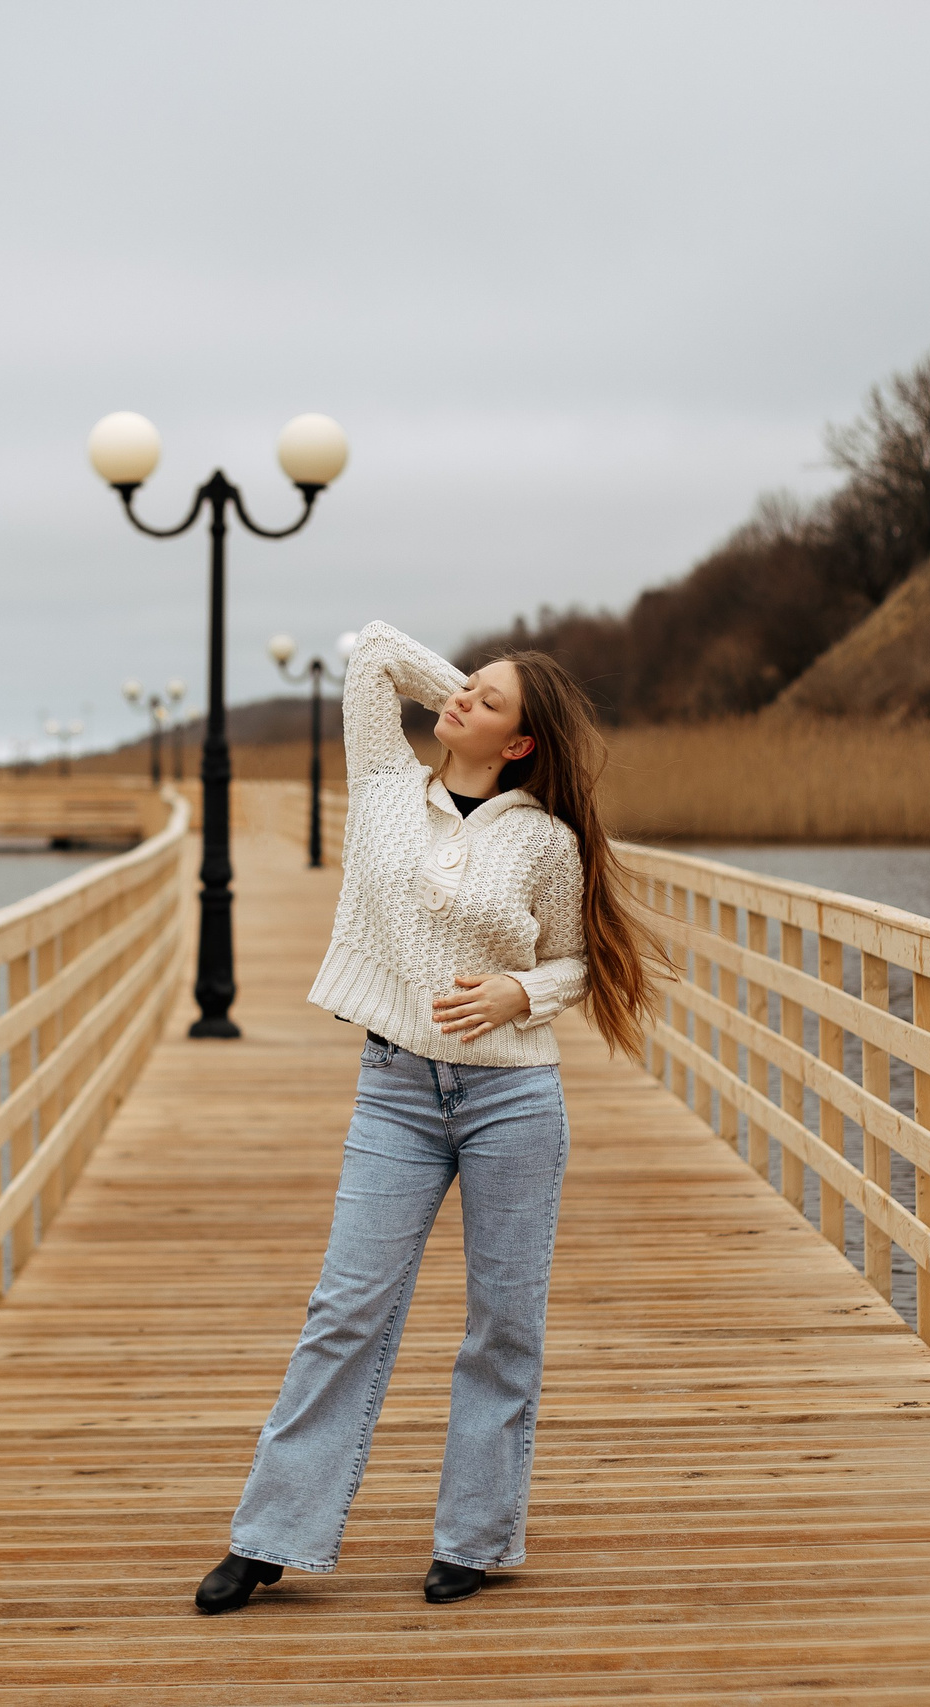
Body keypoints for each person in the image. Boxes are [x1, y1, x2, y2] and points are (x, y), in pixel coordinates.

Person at [193, 619, 664, 1615]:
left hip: (510, 1098)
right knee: (344, 1309)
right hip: (396, 1090)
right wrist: (487, 697)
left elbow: (572, 962)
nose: (459, 704)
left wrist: (515, 997)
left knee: (502, 1324)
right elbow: (371, 654)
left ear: (523, 746)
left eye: (489, 706)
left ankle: (475, 1535)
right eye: (463, 689)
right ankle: (270, 1534)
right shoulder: (379, 788)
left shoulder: (545, 842)